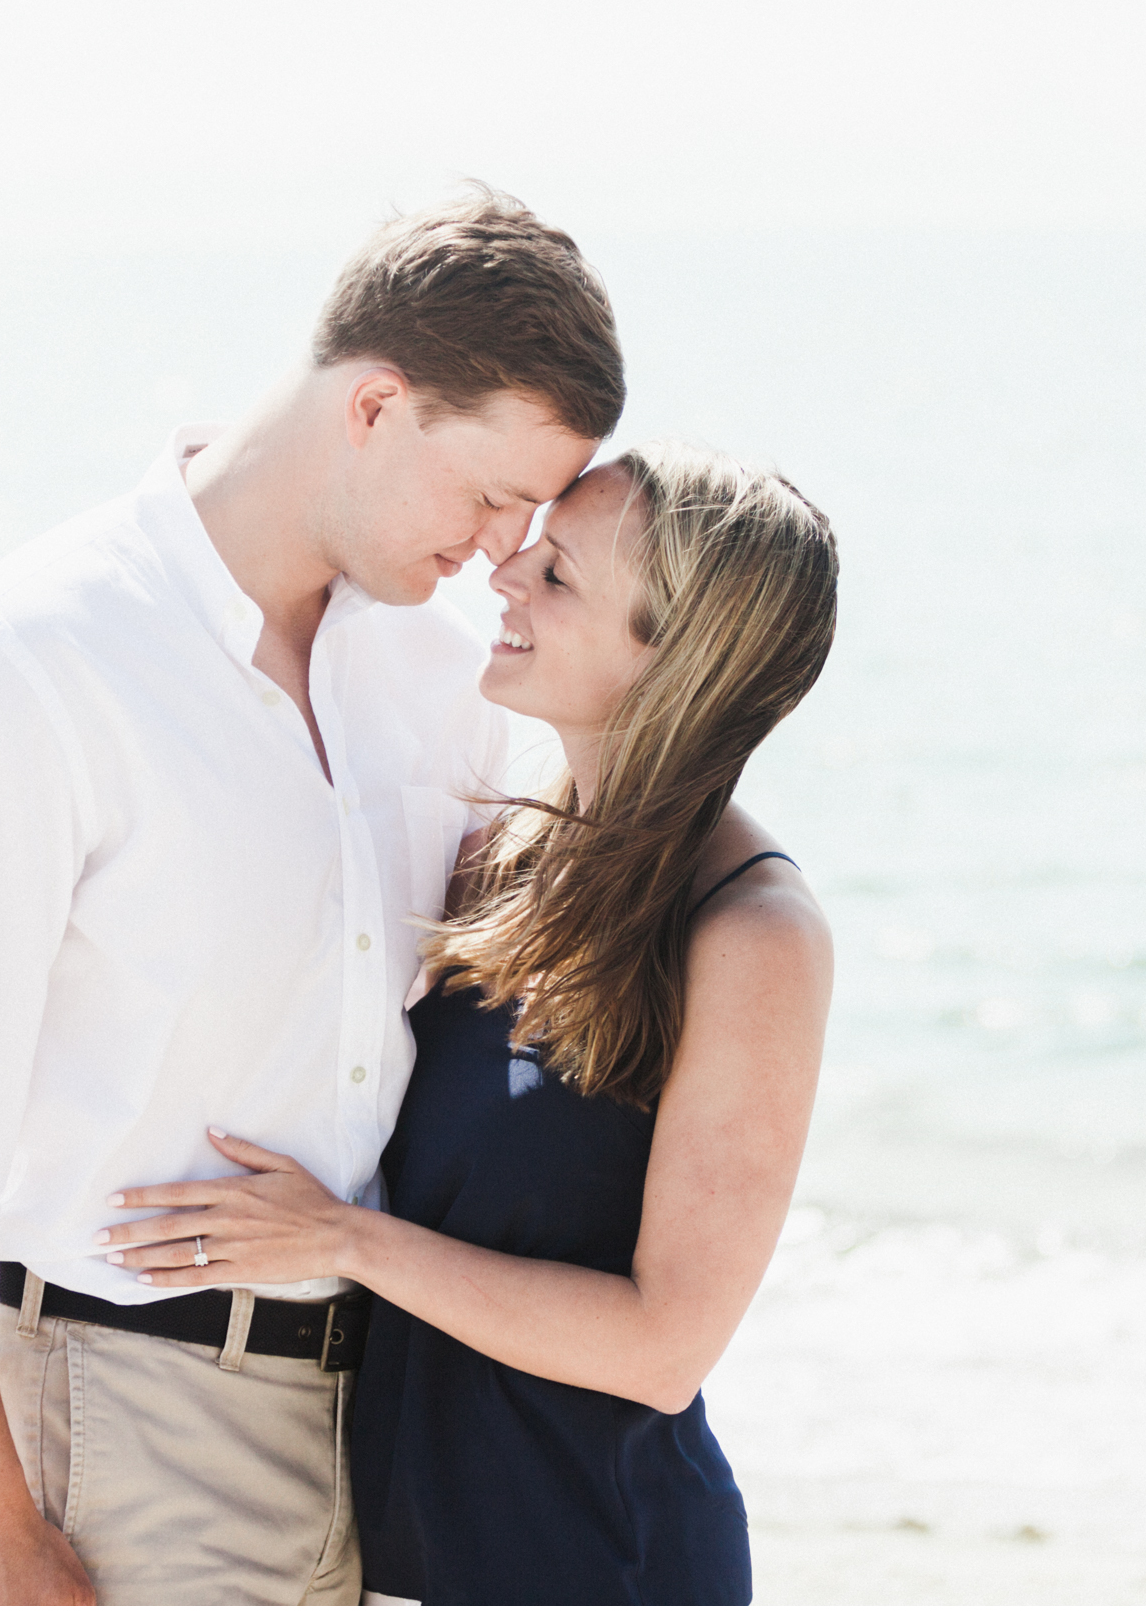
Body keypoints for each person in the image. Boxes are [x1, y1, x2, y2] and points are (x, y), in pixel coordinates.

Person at [0, 186, 622, 1605]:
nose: (501, 548)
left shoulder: (436, 673)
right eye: (491, 495)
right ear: (375, 405)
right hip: (122, 1406)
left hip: (371, 1423)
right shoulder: (28, 659)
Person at [97, 442, 839, 1604]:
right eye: (528, 549)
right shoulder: (501, 854)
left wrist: (342, 1240)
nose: (503, 577)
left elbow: (663, 1348)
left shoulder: (750, 932)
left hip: (595, 1564)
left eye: (558, 577)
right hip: (396, 1559)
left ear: (672, 656)